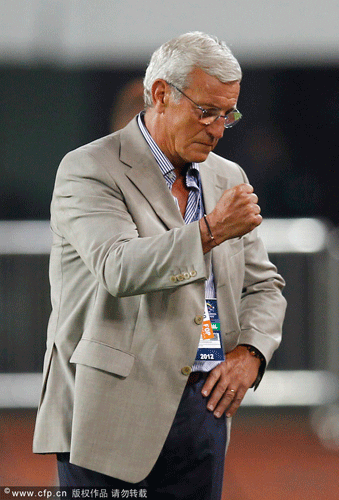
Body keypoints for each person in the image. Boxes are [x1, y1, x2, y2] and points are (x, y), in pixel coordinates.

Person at [33, 32, 286, 499]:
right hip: (107, 409)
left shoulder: (228, 177)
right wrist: (210, 231)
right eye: (206, 111)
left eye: (227, 114)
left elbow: (264, 286)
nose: (217, 128)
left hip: (203, 405)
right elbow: (118, 267)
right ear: (161, 94)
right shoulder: (88, 168)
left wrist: (252, 352)